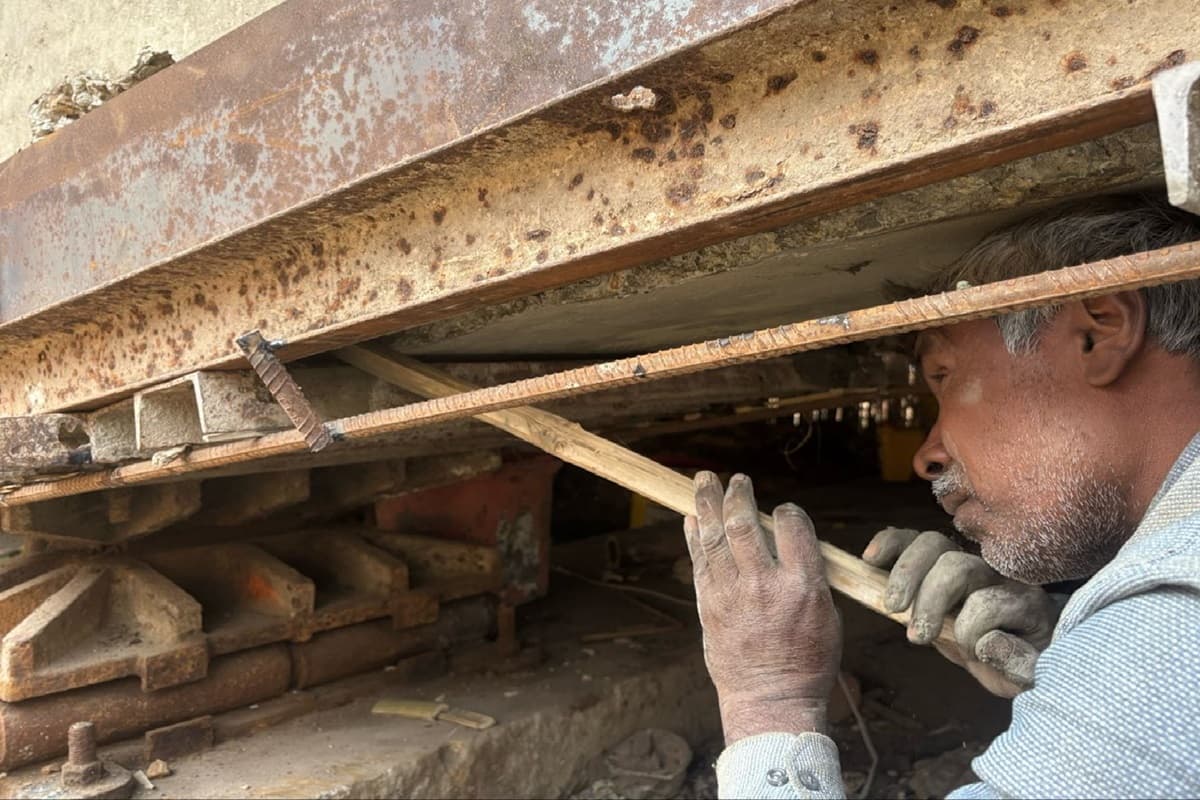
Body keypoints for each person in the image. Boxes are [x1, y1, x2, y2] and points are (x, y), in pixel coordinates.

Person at [686, 195, 1200, 798]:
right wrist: (1068, 654)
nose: (925, 455)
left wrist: (769, 701)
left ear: (1097, 333)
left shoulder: (1176, 614)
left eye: (945, 377)